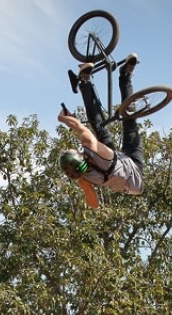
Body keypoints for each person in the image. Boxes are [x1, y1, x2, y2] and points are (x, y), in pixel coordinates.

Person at [57, 53, 143, 209]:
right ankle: (124, 76)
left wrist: (84, 186)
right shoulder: (93, 147)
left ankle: (86, 82)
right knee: (128, 119)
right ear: (80, 157)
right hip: (134, 172)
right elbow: (80, 128)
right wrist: (63, 119)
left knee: (99, 127)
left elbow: (94, 205)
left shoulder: (83, 176)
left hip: (117, 172)